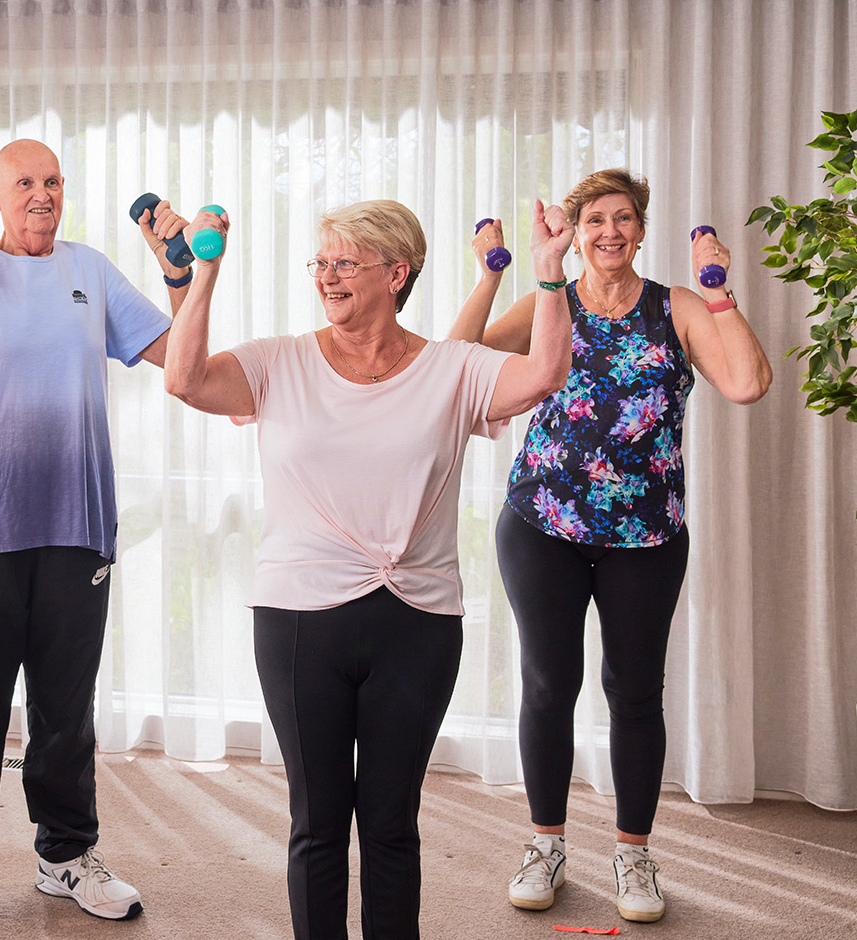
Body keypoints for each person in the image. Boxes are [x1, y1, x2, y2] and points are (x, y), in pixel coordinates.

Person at [162, 197, 575, 940]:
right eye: (320, 263)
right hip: (297, 616)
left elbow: (546, 374)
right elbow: (185, 380)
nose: (326, 277)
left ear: (396, 272)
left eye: (344, 263)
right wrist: (206, 272)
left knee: (390, 823)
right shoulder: (279, 361)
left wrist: (548, 272)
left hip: (416, 619)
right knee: (317, 822)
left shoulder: (453, 369)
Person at [448, 168, 772, 924]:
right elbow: (450, 365)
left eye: (623, 218)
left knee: (634, 692)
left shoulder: (677, 307)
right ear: (573, 230)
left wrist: (719, 290)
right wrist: (493, 274)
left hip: (646, 535)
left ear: (640, 228)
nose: (610, 232)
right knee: (548, 686)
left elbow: (748, 383)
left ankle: (633, 854)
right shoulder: (547, 301)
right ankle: (546, 844)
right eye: (595, 219)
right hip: (543, 527)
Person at [0, 139, 193, 940]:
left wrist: (182, 276)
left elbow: (179, 357)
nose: (41, 195)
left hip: (77, 523)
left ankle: (66, 857)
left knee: (66, 710)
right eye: (23, 183)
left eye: (52, 181)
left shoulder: (90, 271)